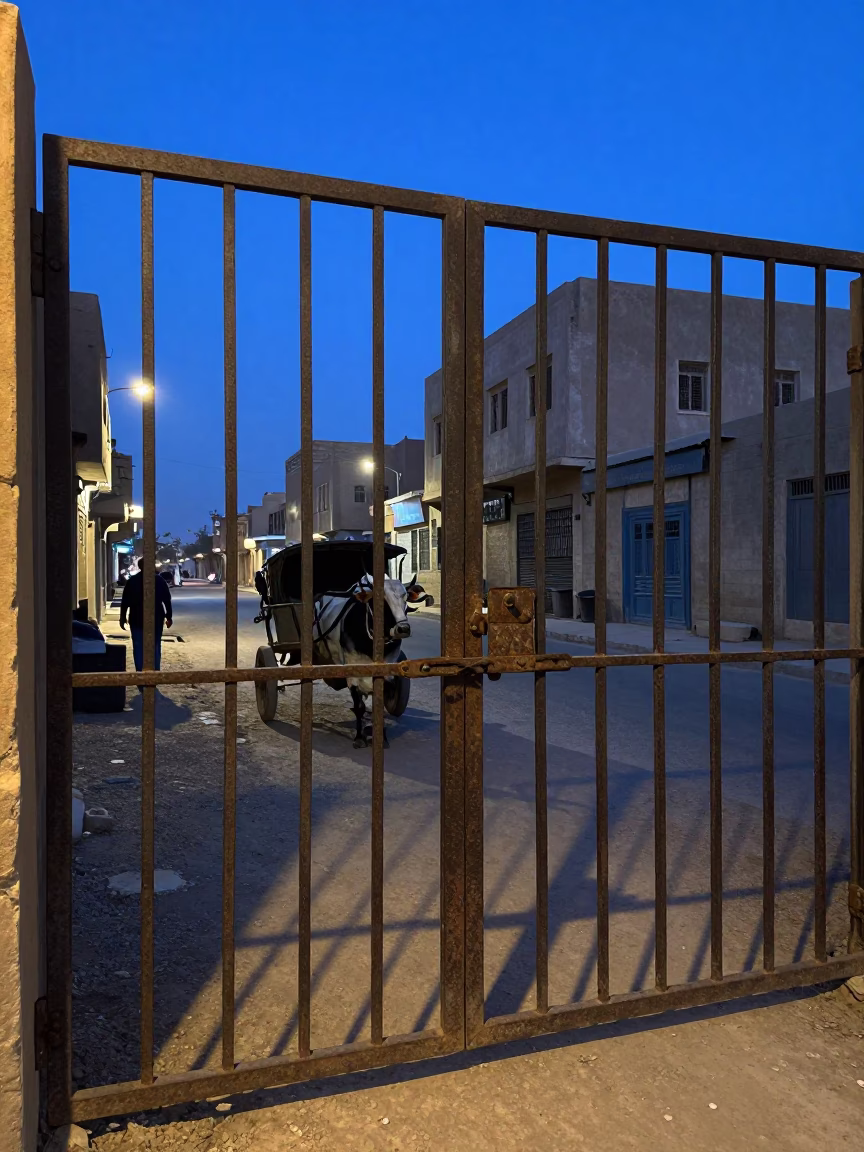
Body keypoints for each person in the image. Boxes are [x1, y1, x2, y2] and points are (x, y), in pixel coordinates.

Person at [119, 564, 173, 677]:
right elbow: (167, 600)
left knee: (138, 646)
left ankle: (140, 675)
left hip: (137, 617)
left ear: (140, 566)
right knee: (155, 645)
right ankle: (154, 675)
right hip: (156, 617)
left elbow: (125, 601)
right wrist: (169, 616)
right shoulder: (159, 580)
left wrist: (122, 617)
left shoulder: (132, 581)